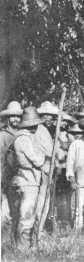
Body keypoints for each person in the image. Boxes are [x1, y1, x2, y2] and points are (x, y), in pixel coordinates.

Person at [12, 107, 48, 248]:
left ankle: (26, 246)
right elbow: (37, 160)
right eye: (31, 125)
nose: (33, 127)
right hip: (27, 179)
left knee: (30, 213)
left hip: (32, 179)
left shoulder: (27, 136)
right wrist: (44, 156)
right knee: (27, 214)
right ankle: (22, 248)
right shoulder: (24, 138)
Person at [0, 101, 23, 244]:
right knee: (6, 213)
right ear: (7, 118)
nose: (16, 119)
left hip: (19, 178)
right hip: (5, 177)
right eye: (13, 117)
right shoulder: (2, 135)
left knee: (18, 211)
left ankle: (15, 242)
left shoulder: (22, 134)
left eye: (18, 117)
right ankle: (4, 244)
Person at [34, 101, 59, 233]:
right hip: (41, 170)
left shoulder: (48, 131)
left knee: (45, 200)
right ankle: (37, 231)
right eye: (46, 115)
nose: (50, 119)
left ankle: (40, 229)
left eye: (52, 116)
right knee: (41, 200)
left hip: (48, 169)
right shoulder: (37, 130)